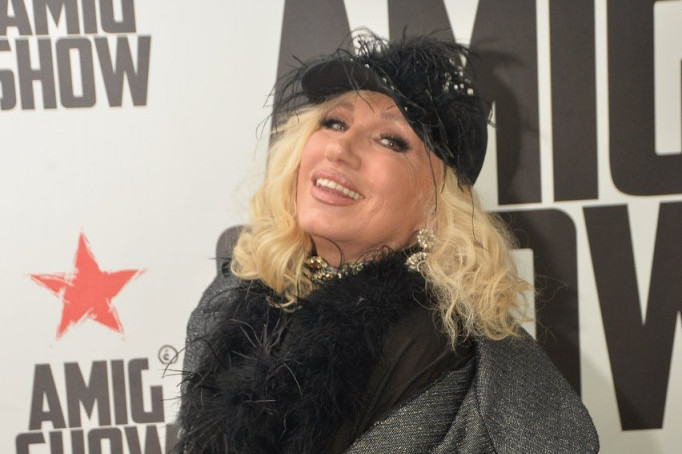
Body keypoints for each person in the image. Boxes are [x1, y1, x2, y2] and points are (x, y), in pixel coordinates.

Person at [175, 32, 599, 453]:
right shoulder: (234, 295)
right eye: (334, 122)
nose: (339, 148)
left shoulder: (432, 342)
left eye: (390, 140)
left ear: (436, 207)